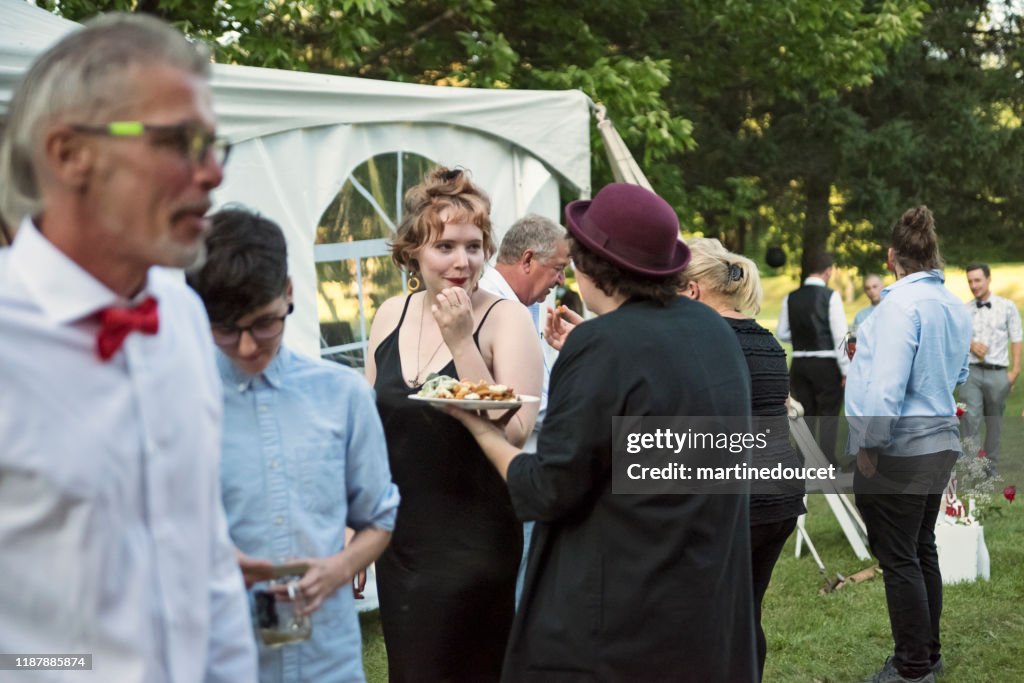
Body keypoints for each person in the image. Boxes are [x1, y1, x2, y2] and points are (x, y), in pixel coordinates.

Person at [0, 14, 257, 683]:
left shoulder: (178, 313)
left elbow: (206, 558)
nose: (211, 174)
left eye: (212, 144)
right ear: (69, 153)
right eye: (179, 142)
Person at [448, 183, 758, 682]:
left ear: (593, 268)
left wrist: (481, 428)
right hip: (704, 602)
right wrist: (591, 354)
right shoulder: (712, 330)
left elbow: (549, 489)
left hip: (623, 622)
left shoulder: (604, 345)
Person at [186, 208, 400, 683]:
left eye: (264, 324)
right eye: (225, 330)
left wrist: (338, 568)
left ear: (288, 293)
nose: (246, 347)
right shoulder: (176, 403)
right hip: (219, 659)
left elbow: (379, 519)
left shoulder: (342, 395)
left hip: (328, 658)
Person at [364, 167, 543, 682]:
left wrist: (462, 341)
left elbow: (514, 432)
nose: (462, 261)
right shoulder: (389, 315)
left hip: (475, 541)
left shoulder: (503, 319)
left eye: (473, 246)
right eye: (445, 246)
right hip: (402, 544)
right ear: (414, 251)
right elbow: (375, 432)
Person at [846, 206, 971, 683]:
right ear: (932, 253)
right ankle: (927, 655)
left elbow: (887, 387)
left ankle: (913, 667)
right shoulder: (953, 306)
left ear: (892, 255)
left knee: (900, 557)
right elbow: (958, 373)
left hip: (901, 445)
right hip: (939, 438)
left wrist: (870, 444)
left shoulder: (898, 306)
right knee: (920, 549)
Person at [678, 237, 806, 682]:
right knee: (746, 613)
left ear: (692, 291)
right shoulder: (767, 341)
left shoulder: (702, 340)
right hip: (779, 497)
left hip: (734, 500)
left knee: (703, 622)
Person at [478, 213, 569, 604]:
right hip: (505, 470)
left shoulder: (525, 305)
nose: (563, 281)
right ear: (528, 260)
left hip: (535, 462)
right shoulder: (489, 304)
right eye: (559, 269)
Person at [776, 251, 849, 464]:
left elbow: (782, 332)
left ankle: (801, 459)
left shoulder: (791, 297)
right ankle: (826, 460)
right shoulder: (831, 296)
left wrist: (801, 336)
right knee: (828, 413)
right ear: (828, 271)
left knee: (803, 412)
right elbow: (840, 336)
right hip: (826, 363)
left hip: (799, 363)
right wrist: (846, 369)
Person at [961, 262, 1022, 476]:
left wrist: (1014, 372)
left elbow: (1016, 338)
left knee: (994, 423)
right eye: (970, 281)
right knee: (970, 419)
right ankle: (975, 470)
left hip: (998, 372)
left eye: (977, 280)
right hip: (971, 372)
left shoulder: (1007, 306)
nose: (973, 285)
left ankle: (991, 468)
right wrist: (969, 344)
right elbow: (955, 338)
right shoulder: (964, 310)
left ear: (988, 279)